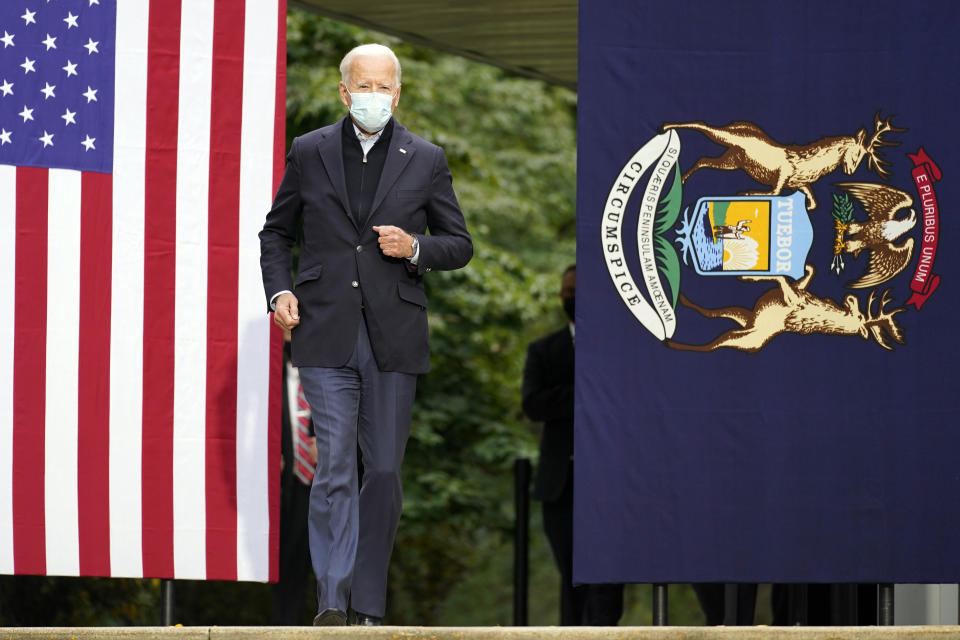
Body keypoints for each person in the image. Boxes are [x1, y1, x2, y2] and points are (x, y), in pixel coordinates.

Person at [259, 43, 472, 626]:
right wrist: (279, 293)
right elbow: (275, 233)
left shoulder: (426, 158)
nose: (373, 96)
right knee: (332, 467)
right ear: (343, 90)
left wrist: (416, 248)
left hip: (393, 336)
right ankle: (332, 598)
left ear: (397, 93)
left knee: (381, 470)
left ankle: (368, 603)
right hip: (324, 331)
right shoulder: (309, 151)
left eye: (384, 87)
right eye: (363, 86)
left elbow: (460, 243)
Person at [522, 264, 624, 625]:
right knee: (571, 576)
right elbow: (532, 404)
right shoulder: (543, 350)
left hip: (611, 482)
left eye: (578, 291)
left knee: (608, 579)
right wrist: (584, 393)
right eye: (567, 292)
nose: (571, 298)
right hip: (561, 484)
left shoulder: (616, 349)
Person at [271, 329, 316, 624]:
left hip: (323, 484)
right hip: (288, 486)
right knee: (288, 563)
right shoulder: (270, 383)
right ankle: (284, 626)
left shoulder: (328, 379)